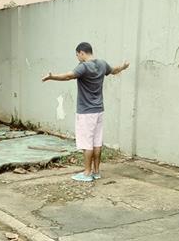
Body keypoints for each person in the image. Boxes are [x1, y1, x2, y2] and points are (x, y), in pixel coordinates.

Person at [42, 42, 130, 182]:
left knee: (87, 143)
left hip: (85, 112)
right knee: (96, 142)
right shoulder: (102, 63)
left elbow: (68, 76)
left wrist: (52, 77)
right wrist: (124, 66)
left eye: (77, 55)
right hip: (99, 110)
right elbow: (114, 70)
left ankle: (87, 173)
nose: (77, 58)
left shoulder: (83, 67)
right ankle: (96, 171)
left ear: (81, 52)